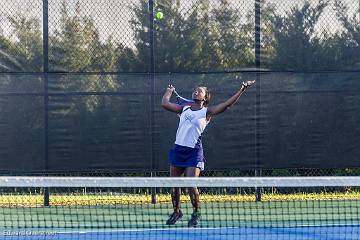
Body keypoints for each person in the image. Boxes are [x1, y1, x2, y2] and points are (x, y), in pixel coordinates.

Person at [161, 80, 255, 227]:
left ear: (205, 98)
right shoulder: (184, 109)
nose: (196, 92)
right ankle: (177, 212)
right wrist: (169, 91)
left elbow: (227, 104)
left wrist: (242, 89)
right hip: (178, 150)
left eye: (199, 91)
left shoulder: (207, 112)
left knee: (191, 185)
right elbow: (165, 104)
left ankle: (196, 213)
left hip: (194, 153)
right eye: (195, 90)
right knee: (174, 185)